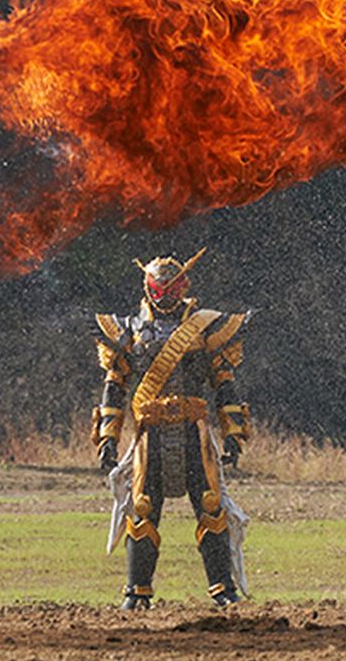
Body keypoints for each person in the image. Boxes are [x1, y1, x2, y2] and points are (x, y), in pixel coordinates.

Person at [91, 248, 251, 609]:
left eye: (171, 286)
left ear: (184, 285)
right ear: (148, 286)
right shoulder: (128, 329)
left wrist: (233, 433)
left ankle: (223, 589)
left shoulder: (207, 327)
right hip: (151, 433)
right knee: (143, 507)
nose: (165, 292)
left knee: (210, 506)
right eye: (158, 286)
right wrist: (107, 439)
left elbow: (225, 382)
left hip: (194, 429)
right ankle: (137, 591)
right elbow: (114, 386)